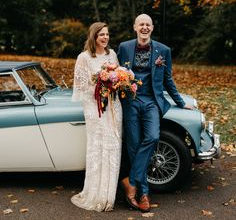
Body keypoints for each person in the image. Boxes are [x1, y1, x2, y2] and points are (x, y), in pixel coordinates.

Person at [117, 14, 193, 212]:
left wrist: (180, 102)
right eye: (141, 24)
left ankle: (130, 180)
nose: (144, 27)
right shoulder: (124, 48)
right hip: (131, 102)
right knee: (133, 146)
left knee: (152, 137)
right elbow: (117, 75)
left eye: (147, 25)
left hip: (152, 101)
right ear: (135, 27)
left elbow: (168, 80)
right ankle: (143, 192)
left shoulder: (163, 51)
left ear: (152, 28)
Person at [71, 22, 122, 212]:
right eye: (102, 34)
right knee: (98, 149)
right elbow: (80, 87)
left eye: (107, 34)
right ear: (94, 36)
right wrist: (101, 88)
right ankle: (96, 194)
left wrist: (116, 85)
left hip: (114, 107)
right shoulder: (83, 58)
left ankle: (109, 195)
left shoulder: (112, 54)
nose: (105, 38)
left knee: (113, 147)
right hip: (95, 109)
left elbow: (117, 76)